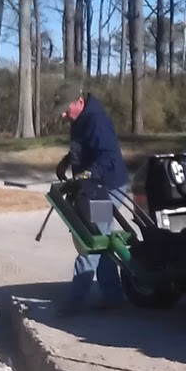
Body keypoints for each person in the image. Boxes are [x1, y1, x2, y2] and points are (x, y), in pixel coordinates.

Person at [54, 88, 130, 316]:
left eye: (66, 110)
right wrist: (67, 161)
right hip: (94, 188)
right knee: (104, 241)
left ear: (79, 101)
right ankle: (113, 295)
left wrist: (88, 173)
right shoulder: (81, 119)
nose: (64, 116)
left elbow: (108, 155)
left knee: (92, 241)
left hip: (106, 189)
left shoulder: (96, 121)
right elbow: (84, 147)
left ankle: (75, 302)